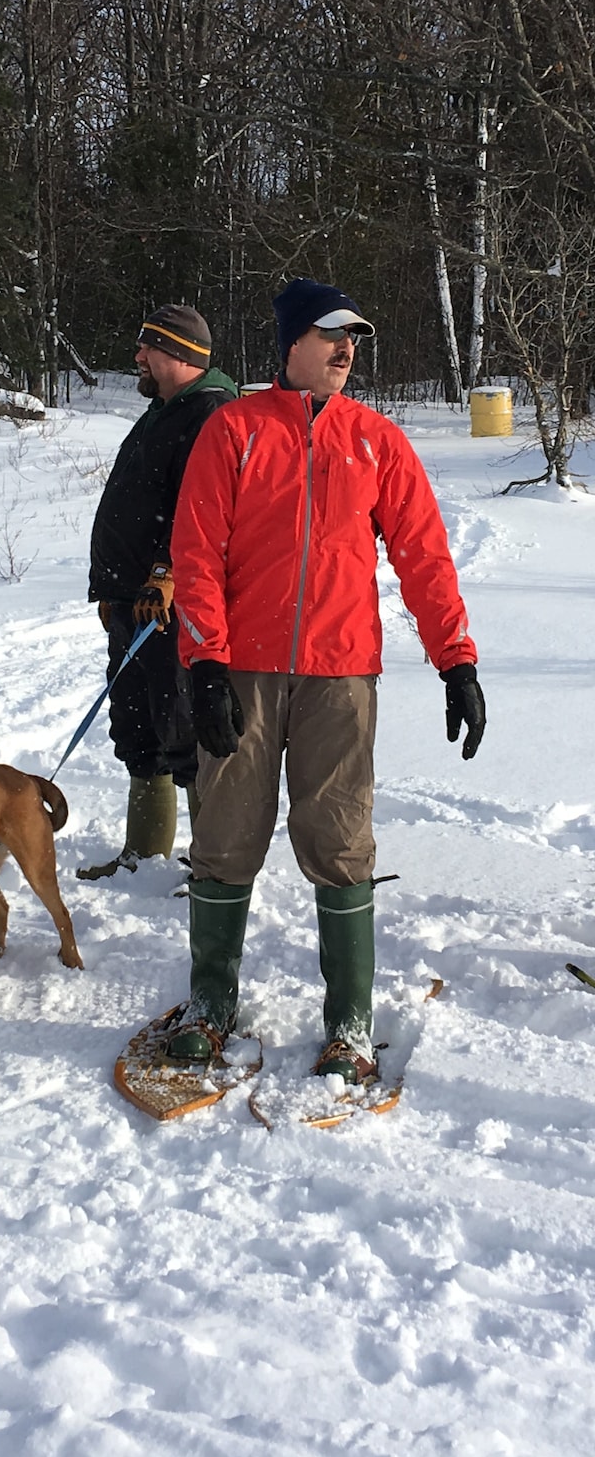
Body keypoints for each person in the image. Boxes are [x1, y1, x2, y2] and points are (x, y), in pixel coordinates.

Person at [165, 278, 486, 1082]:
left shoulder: (376, 440)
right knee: (225, 835)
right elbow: (196, 553)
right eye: (331, 333)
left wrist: (456, 660)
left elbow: (424, 556)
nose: (346, 349)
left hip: (341, 676)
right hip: (243, 670)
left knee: (341, 841)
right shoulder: (234, 430)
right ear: (292, 343)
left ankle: (349, 1023)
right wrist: (206, 662)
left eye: (354, 338)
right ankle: (210, 1004)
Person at [80, 304, 237, 880]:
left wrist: (167, 573)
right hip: (134, 602)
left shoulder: (210, 414)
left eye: (148, 347)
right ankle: (144, 857)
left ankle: (212, 866)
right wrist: (113, 590)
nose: (138, 357)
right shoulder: (162, 412)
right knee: (138, 727)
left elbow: (203, 508)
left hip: (175, 606)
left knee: (185, 731)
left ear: (179, 353)